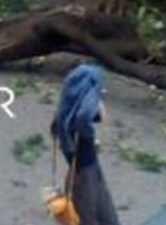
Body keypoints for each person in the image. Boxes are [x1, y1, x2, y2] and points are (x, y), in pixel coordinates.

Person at [51, 64, 120, 225]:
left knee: (100, 211)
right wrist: (88, 129)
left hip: (81, 170)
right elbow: (95, 116)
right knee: (92, 214)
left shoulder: (65, 116)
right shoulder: (80, 119)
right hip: (87, 172)